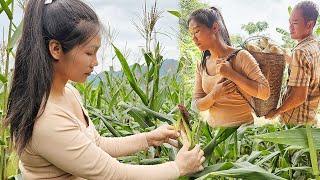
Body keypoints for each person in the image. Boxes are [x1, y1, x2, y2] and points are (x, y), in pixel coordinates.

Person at [3, 0, 205, 179]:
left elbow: (95, 145)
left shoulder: (69, 93)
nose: (96, 62)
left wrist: (147, 138)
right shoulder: (46, 120)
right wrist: (178, 167)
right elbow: (114, 174)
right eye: (89, 53)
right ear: (56, 49)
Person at [189, 7, 270, 127]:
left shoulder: (241, 56)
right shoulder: (202, 65)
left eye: (196, 31)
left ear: (215, 27)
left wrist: (232, 74)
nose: (193, 38)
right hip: (214, 139)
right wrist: (213, 95)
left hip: (243, 135)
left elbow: (265, 92)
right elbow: (195, 106)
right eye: (191, 34)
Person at [266, 1, 320, 125]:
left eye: (295, 23)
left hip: (295, 122)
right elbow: (309, 73)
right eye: (289, 22)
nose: (290, 27)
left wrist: (277, 111)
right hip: (309, 119)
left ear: (309, 24)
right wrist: (289, 59)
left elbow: (299, 96)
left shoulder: (301, 52)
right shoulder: (315, 45)